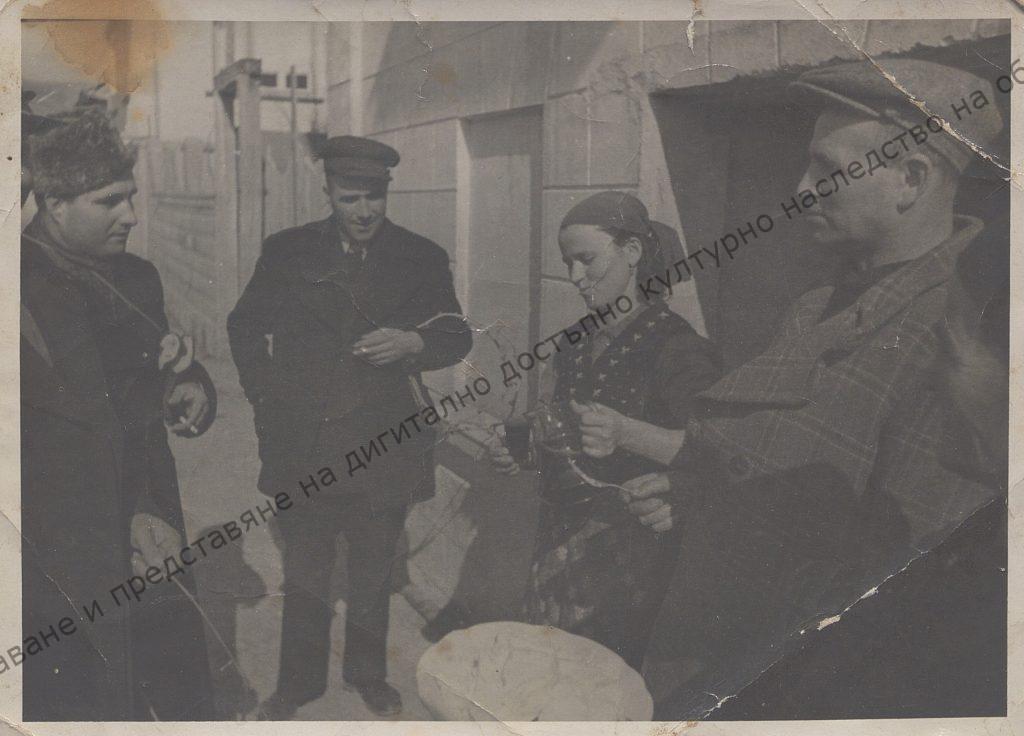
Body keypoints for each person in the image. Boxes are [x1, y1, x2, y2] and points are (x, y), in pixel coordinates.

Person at [602, 59, 1006, 719]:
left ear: (910, 179)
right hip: (710, 657)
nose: (800, 190)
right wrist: (701, 493)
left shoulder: (959, 346)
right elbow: (788, 474)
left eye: (827, 169)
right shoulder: (817, 303)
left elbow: (897, 600)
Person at [227, 135, 472, 719]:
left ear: (387, 192)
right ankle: (297, 685)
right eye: (349, 198)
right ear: (328, 192)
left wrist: (413, 342)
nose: (363, 211)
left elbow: (456, 334)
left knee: (372, 571)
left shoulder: (421, 256)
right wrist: (266, 400)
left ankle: (368, 676)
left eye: (373, 197)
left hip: (384, 446)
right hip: (305, 444)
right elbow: (244, 327)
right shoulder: (287, 251)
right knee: (306, 570)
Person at [21, 108, 216, 720]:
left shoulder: (138, 277)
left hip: (150, 514)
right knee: (81, 693)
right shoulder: (14, 286)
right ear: (54, 203)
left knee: (169, 679)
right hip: (58, 543)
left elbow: (163, 367)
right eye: (109, 201)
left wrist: (190, 385)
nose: (131, 215)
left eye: (129, 197)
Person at [488, 191, 721, 671]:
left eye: (587, 259)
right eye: (568, 263)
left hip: (630, 561)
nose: (575, 276)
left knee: (601, 681)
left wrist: (627, 433)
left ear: (632, 252)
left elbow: (717, 451)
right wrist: (522, 449)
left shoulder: (679, 348)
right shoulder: (574, 344)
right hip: (558, 548)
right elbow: (560, 432)